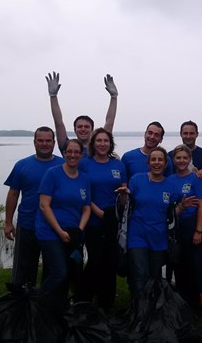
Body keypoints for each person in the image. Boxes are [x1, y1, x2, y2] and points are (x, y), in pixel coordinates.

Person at [116, 147, 189, 298]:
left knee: (154, 277)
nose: (157, 163)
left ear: (165, 163)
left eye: (160, 160)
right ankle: (139, 310)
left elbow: (172, 216)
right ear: (148, 162)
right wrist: (123, 196)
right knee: (140, 274)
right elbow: (125, 206)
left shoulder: (171, 186)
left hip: (159, 237)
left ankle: (152, 310)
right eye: (153, 159)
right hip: (138, 235)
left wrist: (182, 207)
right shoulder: (137, 180)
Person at [4, 126, 65, 287]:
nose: (44, 144)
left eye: (48, 141)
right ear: (34, 142)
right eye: (41, 140)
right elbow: (13, 194)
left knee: (53, 270)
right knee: (24, 270)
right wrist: (8, 222)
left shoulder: (63, 165)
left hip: (54, 227)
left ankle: (46, 302)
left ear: (53, 142)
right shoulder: (22, 165)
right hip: (27, 224)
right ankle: (21, 300)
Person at [36, 139, 91, 304]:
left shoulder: (84, 179)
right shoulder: (52, 174)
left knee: (72, 270)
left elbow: (86, 208)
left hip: (72, 233)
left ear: (81, 155)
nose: (73, 155)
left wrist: (79, 231)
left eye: (76, 152)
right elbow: (44, 205)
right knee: (59, 272)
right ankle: (36, 303)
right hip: (50, 232)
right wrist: (59, 231)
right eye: (69, 151)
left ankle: (57, 304)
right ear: (64, 153)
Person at [77, 127, 127, 309]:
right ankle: (84, 298)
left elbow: (123, 193)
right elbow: (82, 193)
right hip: (93, 220)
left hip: (113, 221)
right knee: (95, 260)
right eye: (99, 140)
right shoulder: (85, 164)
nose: (102, 144)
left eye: (106, 141)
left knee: (111, 261)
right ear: (93, 143)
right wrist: (100, 213)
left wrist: (123, 196)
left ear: (110, 144)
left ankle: (106, 302)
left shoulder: (118, 164)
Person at [169, 144, 202, 308]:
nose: (182, 161)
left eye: (185, 158)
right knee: (178, 263)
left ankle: (195, 299)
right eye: (178, 158)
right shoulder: (169, 180)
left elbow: (201, 207)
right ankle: (180, 298)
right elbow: (169, 206)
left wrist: (199, 231)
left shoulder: (196, 180)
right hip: (176, 226)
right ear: (173, 160)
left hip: (192, 226)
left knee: (195, 263)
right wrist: (179, 208)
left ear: (190, 160)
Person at [45, 71, 118, 156]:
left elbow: (109, 122)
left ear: (92, 130)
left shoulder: (99, 147)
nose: (83, 129)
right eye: (79, 127)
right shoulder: (68, 147)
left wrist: (114, 97)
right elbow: (58, 123)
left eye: (87, 127)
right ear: (74, 129)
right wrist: (53, 96)